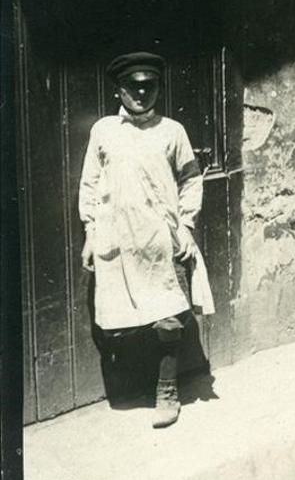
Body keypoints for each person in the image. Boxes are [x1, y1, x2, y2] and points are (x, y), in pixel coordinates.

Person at [78, 52, 215, 428]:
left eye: (149, 85)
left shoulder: (173, 131)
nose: (141, 93)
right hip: (117, 238)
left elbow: (190, 179)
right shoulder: (103, 130)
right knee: (122, 321)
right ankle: (138, 383)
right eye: (133, 86)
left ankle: (167, 391)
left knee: (168, 318)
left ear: (157, 88)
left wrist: (185, 226)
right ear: (119, 90)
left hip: (160, 237)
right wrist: (90, 232)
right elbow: (90, 183)